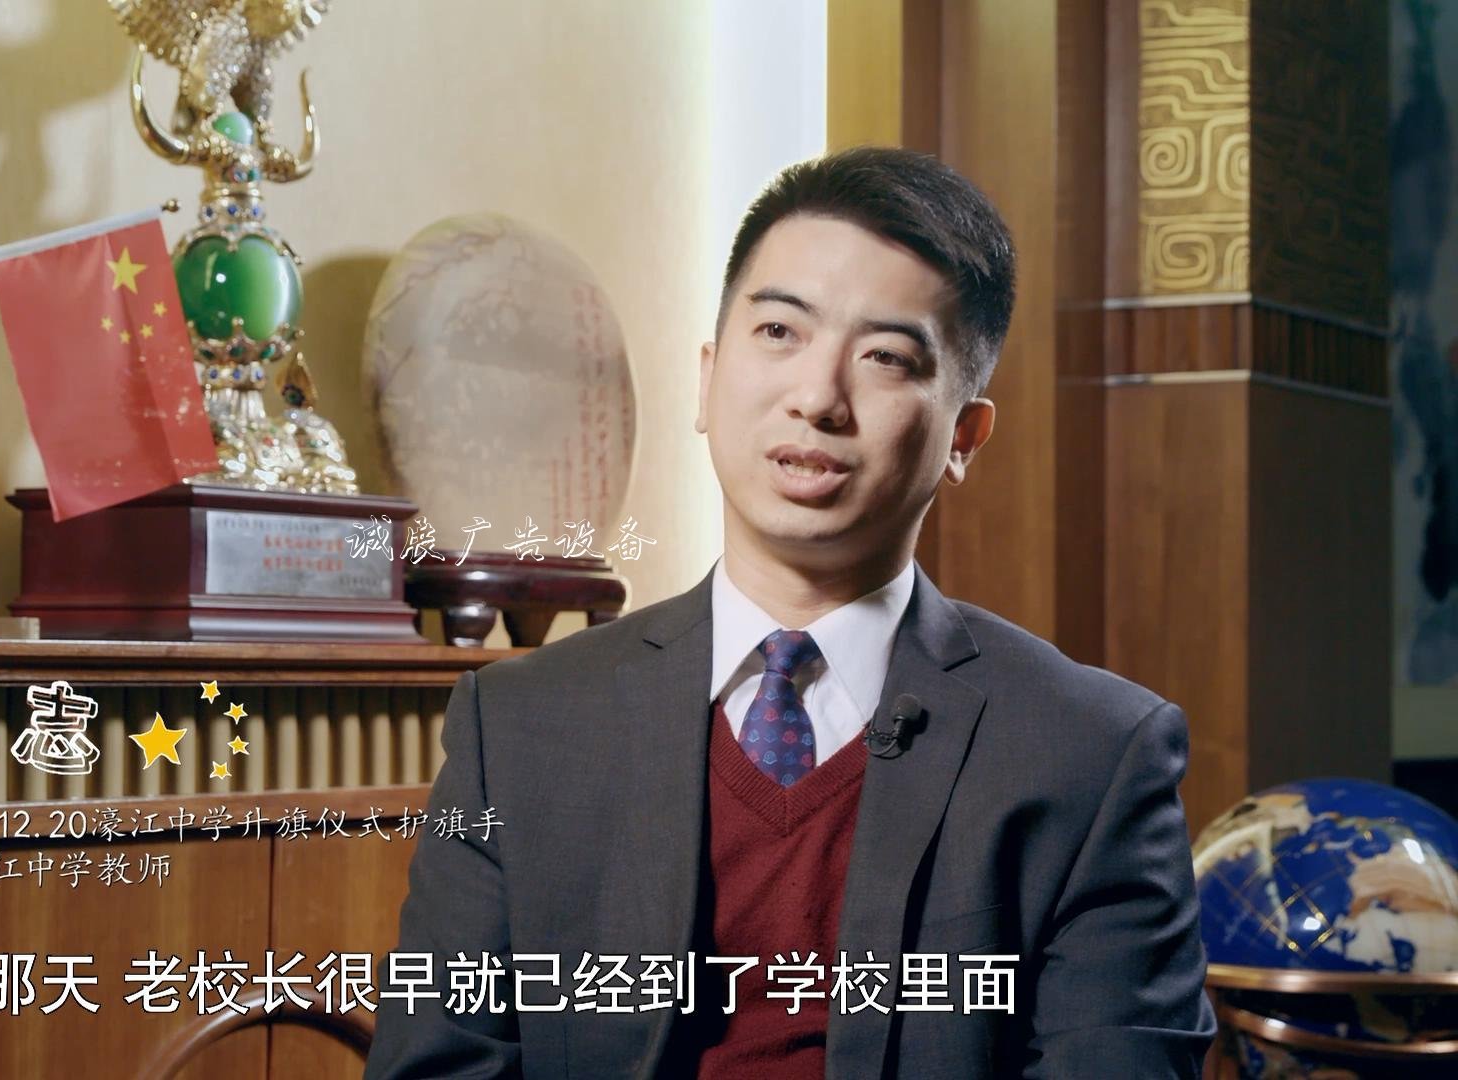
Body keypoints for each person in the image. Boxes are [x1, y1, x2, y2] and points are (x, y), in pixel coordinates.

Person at [365, 146, 1216, 1079]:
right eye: (778, 331)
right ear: (706, 379)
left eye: (886, 357)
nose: (816, 399)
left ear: (964, 436)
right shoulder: (519, 728)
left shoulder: (1094, 755)